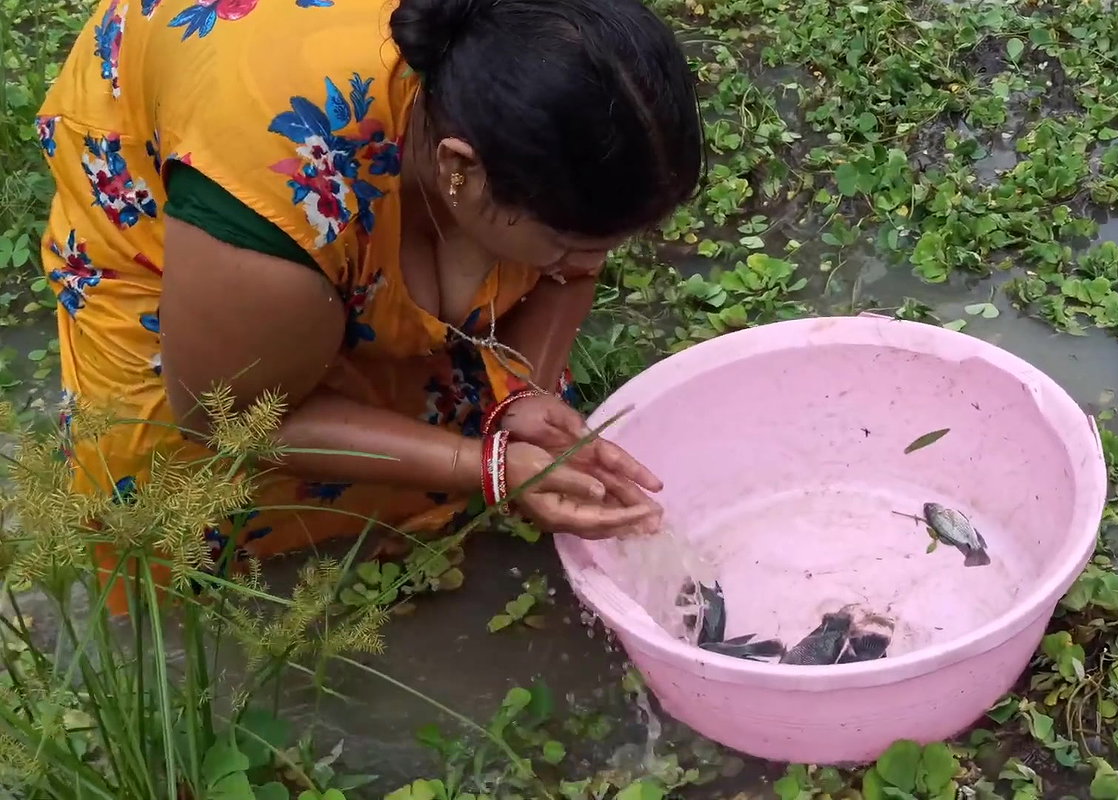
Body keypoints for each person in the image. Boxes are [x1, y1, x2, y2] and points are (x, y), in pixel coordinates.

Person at [34, 0, 704, 614]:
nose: (582, 264)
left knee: (440, 382)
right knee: (182, 488)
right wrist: (486, 466)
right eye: (564, 242)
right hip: (203, 120)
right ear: (459, 168)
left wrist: (519, 390)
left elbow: (574, 265)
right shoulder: (272, 201)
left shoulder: (541, 92)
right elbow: (229, 419)